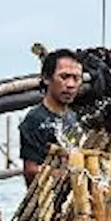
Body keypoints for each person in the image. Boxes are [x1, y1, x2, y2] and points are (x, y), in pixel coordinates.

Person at [19, 48, 84, 186]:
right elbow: (30, 171)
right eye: (64, 77)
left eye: (76, 78)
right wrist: (63, 175)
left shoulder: (74, 117)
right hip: (46, 200)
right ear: (47, 78)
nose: (71, 85)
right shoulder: (35, 119)